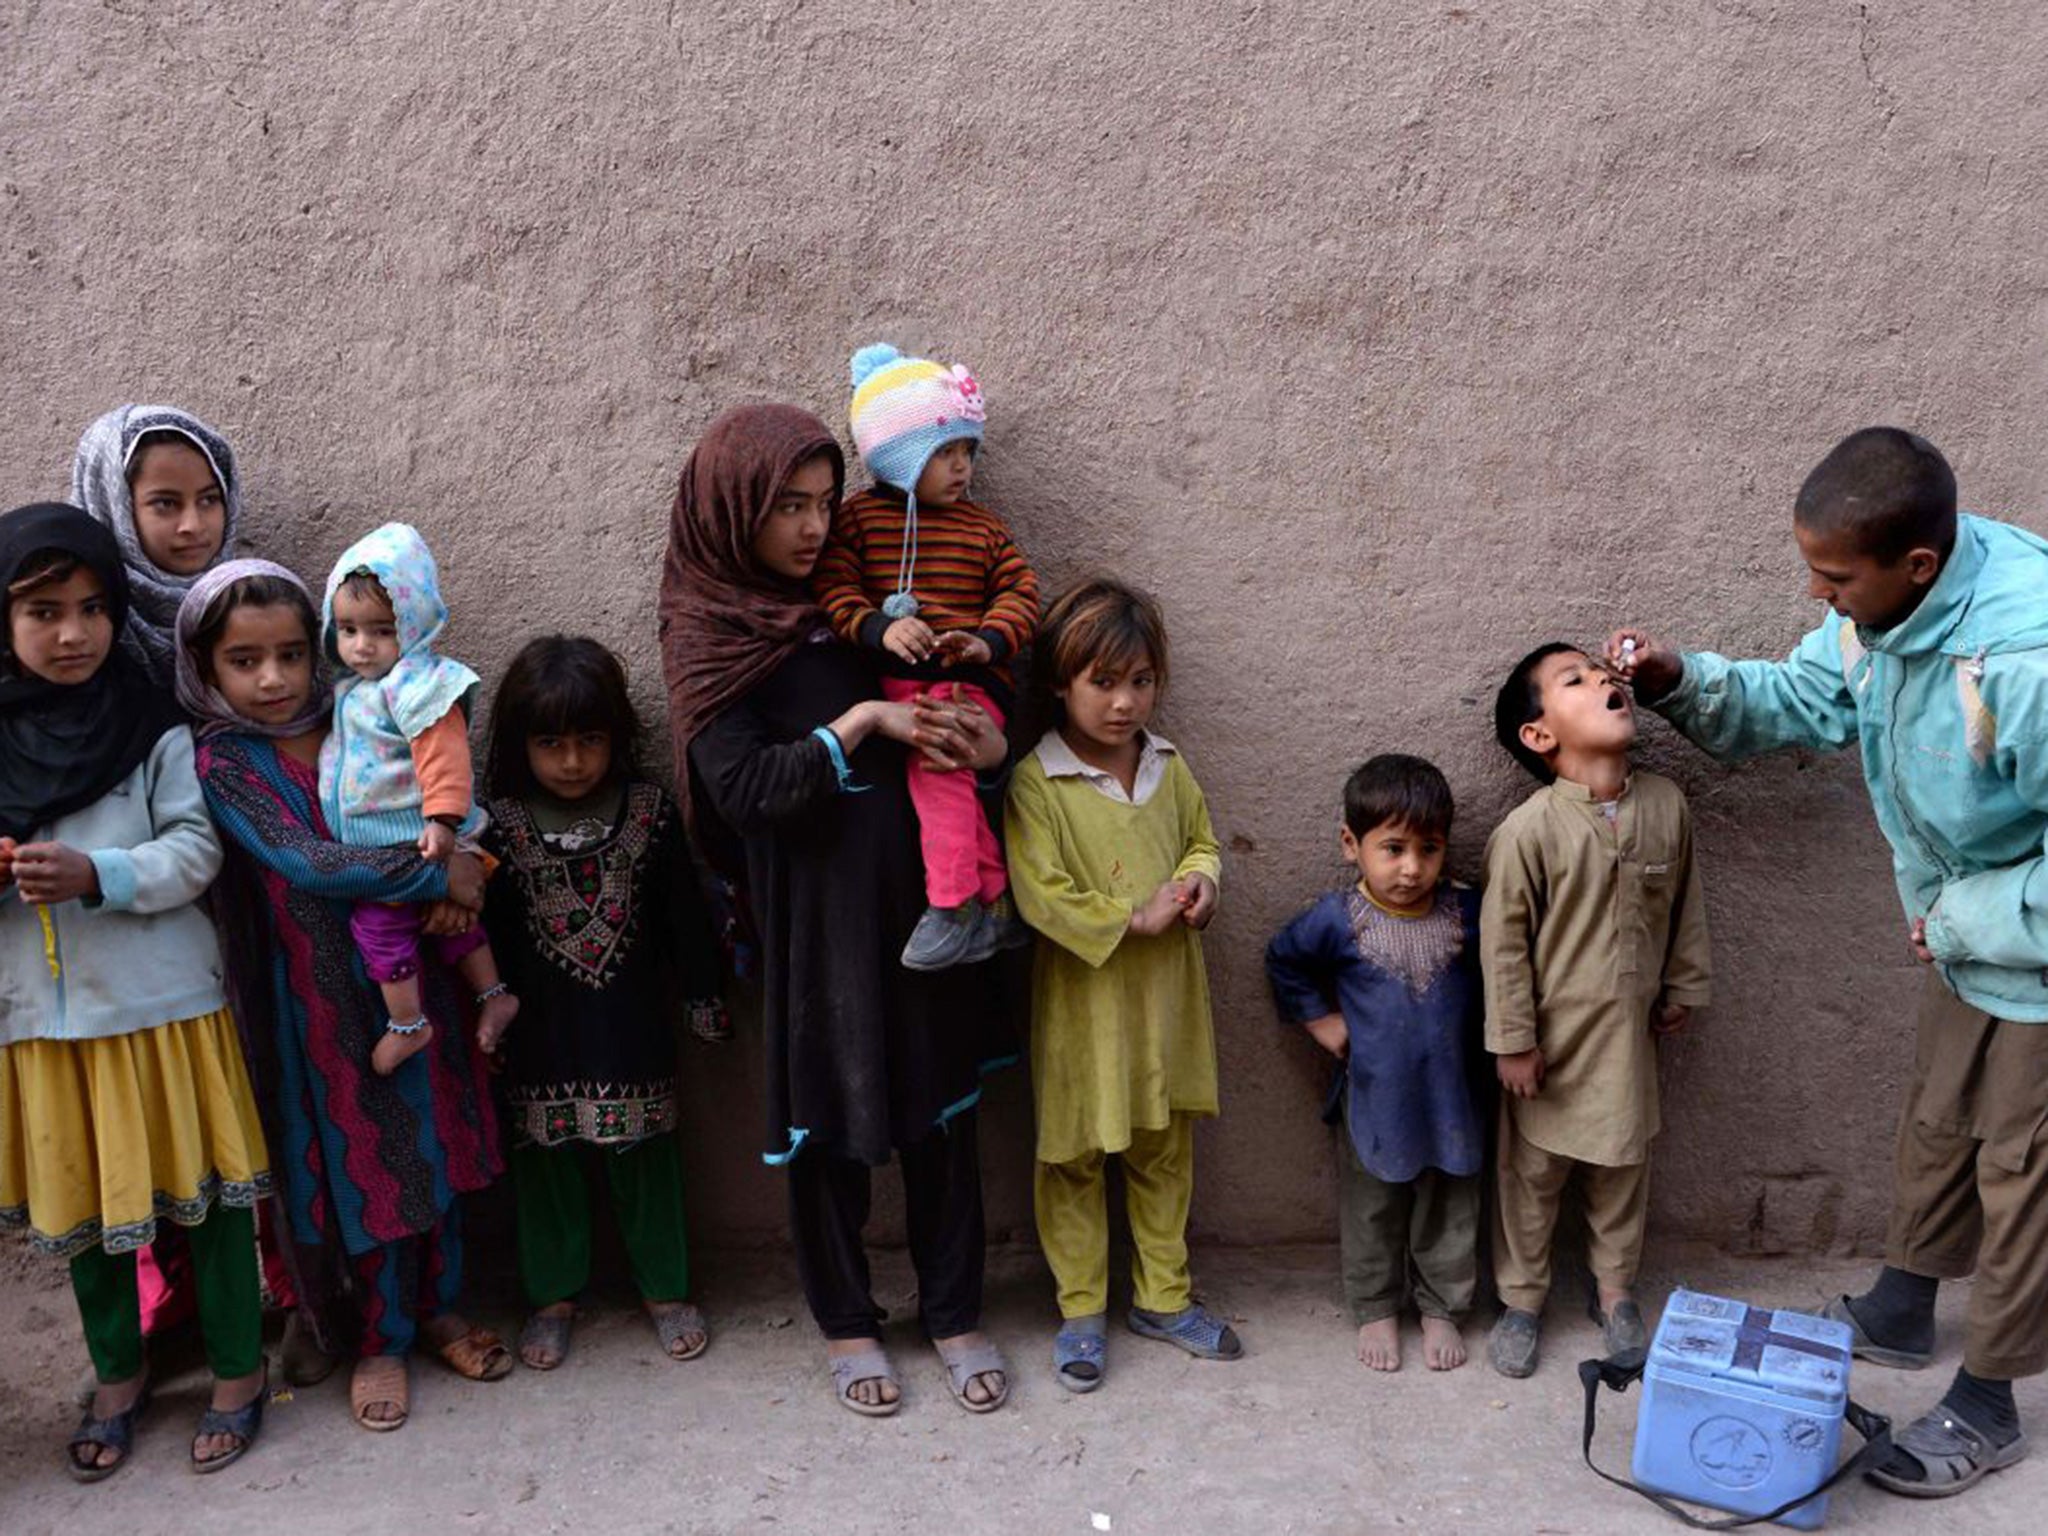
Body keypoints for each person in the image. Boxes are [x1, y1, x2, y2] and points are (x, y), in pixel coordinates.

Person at [1611, 426, 2048, 1500]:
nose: (1817, 593)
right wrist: (1679, 682)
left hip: (2018, 932)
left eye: (1831, 578)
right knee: (1942, 1119)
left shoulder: (2025, 660)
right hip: (1969, 936)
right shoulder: (1882, 609)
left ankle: (1988, 1404)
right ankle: (1900, 1308)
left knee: (2023, 1171)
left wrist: (1963, 916)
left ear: (1916, 567)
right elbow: (1808, 701)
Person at [663, 402, 1015, 1417]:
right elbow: (739, 792)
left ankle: (952, 1311)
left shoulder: (860, 600)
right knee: (825, 1120)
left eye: (823, 502)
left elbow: (979, 704)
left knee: (942, 1111)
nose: (813, 528)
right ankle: (849, 1321)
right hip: (813, 921)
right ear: (733, 510)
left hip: (926, 905)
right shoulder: (712, 633)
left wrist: (980, 745)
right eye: (787, 507)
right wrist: (862, 720)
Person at [176, 559, 510, 1433]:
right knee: (366, 1167)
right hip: (317, 1002)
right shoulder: (225, 761)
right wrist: (442, 873)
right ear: (206, 669)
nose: (276, 678)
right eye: (245, 662)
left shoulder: (361, 710)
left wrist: (466, 856)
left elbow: (442, 785)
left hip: (410, 973)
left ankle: (438, 1309)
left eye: (291, 653)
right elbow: (306, 861)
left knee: (434, 1141)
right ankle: (380, 1339)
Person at [0, 503, 270, 1478]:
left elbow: (197, 849)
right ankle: (119, 1375)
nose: (72, 633)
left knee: (209, 1203)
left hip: (164, 1010)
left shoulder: (148, 722)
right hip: (45, 1023)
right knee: (84, 1213)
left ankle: (239, 1373)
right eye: (41, 612)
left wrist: (98, 875)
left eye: (90, 607)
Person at [1005, 576, 1238, 1393]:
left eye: (1140, 682)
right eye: (1102, 683)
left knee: (1162, 1151)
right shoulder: (1041, 782)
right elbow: (1039, 892)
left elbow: (1201, 842)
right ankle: (1079, 1309)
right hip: (1084, 1009)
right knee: (1071, 1155)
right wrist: (1124, 918)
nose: (1124, 703)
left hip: (1165, 1006)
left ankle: (1164, 1298)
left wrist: (1203, 883)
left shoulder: (1169, 768)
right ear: (1061, 685)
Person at [479, 634, 727, 1371]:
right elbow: (484, 936)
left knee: (646, 1154)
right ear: (520, 743)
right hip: (539, 1030)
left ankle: (667, 1290)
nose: (572, 761)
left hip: (633, 1027)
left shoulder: (649, 815)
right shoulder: (496, 828)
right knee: (545, 1164)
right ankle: (553, 1294)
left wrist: (705, 993)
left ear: (617, 737)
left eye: (590, 740)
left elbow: (686, 914)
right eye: (550, 742)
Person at [1481, 643, 1711, 1379]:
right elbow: (1504, 947)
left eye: (1603, 672)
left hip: (1626, 1046)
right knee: (1532, 1180)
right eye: (1574, 680)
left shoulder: (1666, 807)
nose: (1605, 680)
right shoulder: (1529, 831)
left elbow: (1687, 909)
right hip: (1549, 1051)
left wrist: (1683, 986)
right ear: (1540, 736)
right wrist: (1512, 1040)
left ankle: (1614, 1292)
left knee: (1623, 1171)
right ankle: (1521, 1300)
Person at [811, 343, 1039, 969]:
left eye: (967, 450)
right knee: (955, 777)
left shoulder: (983, 529)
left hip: (968, 680)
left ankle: (951, 904)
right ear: (900, 458)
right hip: (898, 678)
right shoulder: (858, 521)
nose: (962, 467)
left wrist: (987, 639)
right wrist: (878, 628)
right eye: (944, 453)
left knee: (938, 766)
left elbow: (1022, 592)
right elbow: (833, 587)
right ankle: (993, 903)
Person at [1265, 754, 1486, 1372]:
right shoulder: (1338, 920)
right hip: (1374, 1097)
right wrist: (1321, 1021)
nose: (1412, 868)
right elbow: (1284, 959)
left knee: (1451, 1200)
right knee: (1372, 1207)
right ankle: (1376, 1307)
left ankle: (1443, 1304)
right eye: (1392, 848)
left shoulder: (1466, 913)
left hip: (1452, 1095)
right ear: (1350, 844)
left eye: (1429, 848)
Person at [317, 523, 518, 1074]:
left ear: (414, 625)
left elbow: (444, 756)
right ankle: (493, 993)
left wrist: (443, 820)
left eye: (382, 630)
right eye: (349, 629)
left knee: (379, 929)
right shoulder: (353, 691)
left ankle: (408, 1024)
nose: (362, 645)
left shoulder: (417, 684)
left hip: (415, 839)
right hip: (393, 843)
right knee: (457, 925)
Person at [71, 403, 240, 686]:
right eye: (165, 503)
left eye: (209, 499)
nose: (193, 526)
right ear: (114, 505)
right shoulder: (77, 619)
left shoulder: (252, 604)